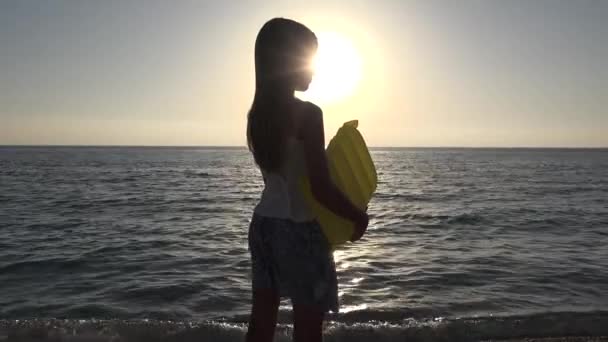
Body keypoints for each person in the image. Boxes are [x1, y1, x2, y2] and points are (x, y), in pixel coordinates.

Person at [245, 18, 369, 342]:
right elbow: (320, 187)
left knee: (260, 325)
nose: (313, 69)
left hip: (263, 226)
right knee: (308, 330)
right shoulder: (309, 114)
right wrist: (357, 216)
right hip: (300, 232)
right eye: (307, 59)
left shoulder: (257, 117)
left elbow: (281, 175)